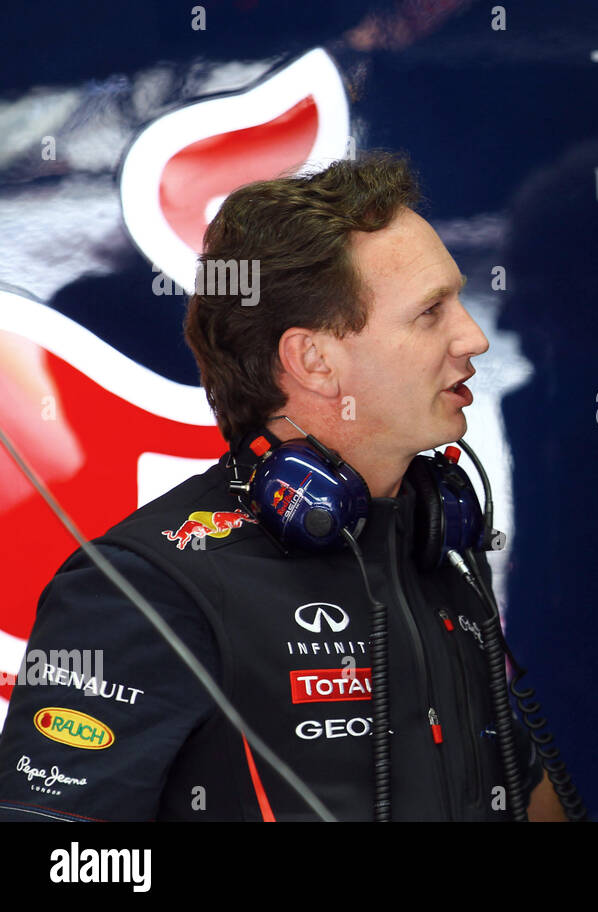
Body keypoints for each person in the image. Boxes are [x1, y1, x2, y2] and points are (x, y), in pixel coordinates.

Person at [0, 153, 564, 821]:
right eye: (430, 313)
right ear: (315, 360)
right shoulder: (145, 588)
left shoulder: (426, 547)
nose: (473, 336)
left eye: (459, 300)